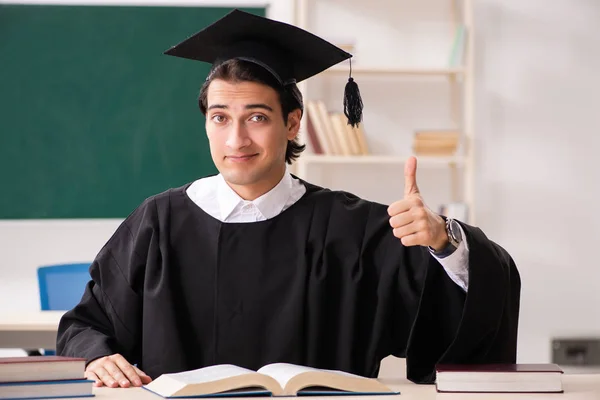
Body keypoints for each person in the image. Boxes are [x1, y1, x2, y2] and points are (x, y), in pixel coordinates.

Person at [56, 9, 520, 389]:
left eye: (256, 116)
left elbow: (466, 307)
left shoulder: (352, 228)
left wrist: (445, 242)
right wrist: (97, 358)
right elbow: (85, 326)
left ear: (293, 123)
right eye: (220, 118)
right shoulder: (158, 222)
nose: (236, 138)